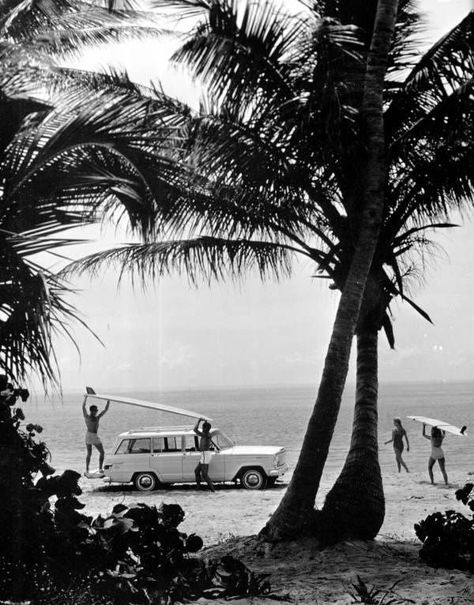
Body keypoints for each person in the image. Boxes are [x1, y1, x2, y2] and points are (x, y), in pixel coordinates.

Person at [82, 398, 110, 474]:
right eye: (95, 410)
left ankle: (90, 469)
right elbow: (83, 407)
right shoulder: (90, 417)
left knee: (90, 453)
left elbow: (105, 410)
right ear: (92, 411)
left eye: (96, 411)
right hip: (93, 436)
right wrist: (86, 398)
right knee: (101, 452)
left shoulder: (90, 417)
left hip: (88, 436)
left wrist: (108, 402)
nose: (96, 412)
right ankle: (98, 469)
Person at [193, 417, 215, 492]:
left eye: (203, 427)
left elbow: (195, 429)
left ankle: (213, 490)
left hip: (205, 455)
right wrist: (205, 422)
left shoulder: (205, 435)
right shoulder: (206, 434)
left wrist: (199, 421)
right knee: (196, 471)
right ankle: (198, 488)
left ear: (205, 429)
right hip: (204, 455)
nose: (202, 428)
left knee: (204, 475)